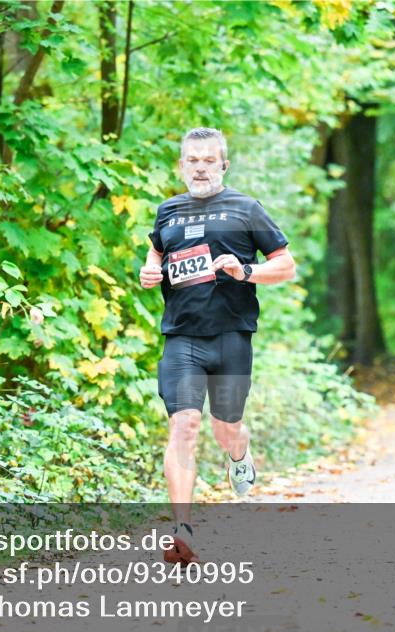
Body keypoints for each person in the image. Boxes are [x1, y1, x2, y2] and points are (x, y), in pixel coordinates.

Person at [139, 127, 296, 563]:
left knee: (225, 428)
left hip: (231, 335)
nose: (201, 167)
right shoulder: (167, 211)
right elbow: (156, 252)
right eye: (193, 160)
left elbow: (286, 265)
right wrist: (150, 271)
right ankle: (182, 529)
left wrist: (245, 271)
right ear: (181, 165)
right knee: (183, 425)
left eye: (210, 160)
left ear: (223, 164)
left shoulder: (245, 208)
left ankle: (239, 454)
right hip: (181, 337)